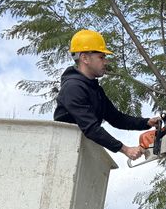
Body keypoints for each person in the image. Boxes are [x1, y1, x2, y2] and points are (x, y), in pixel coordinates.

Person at [54, 29, 160, 160]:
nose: (105, 62)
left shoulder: (94, 89)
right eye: (101, 57)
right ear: (85, 58)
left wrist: (147, 123)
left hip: (80, 150)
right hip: (63, 152)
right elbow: (91, 128)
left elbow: (116, 118)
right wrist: (125, 149)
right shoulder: (73, 88)